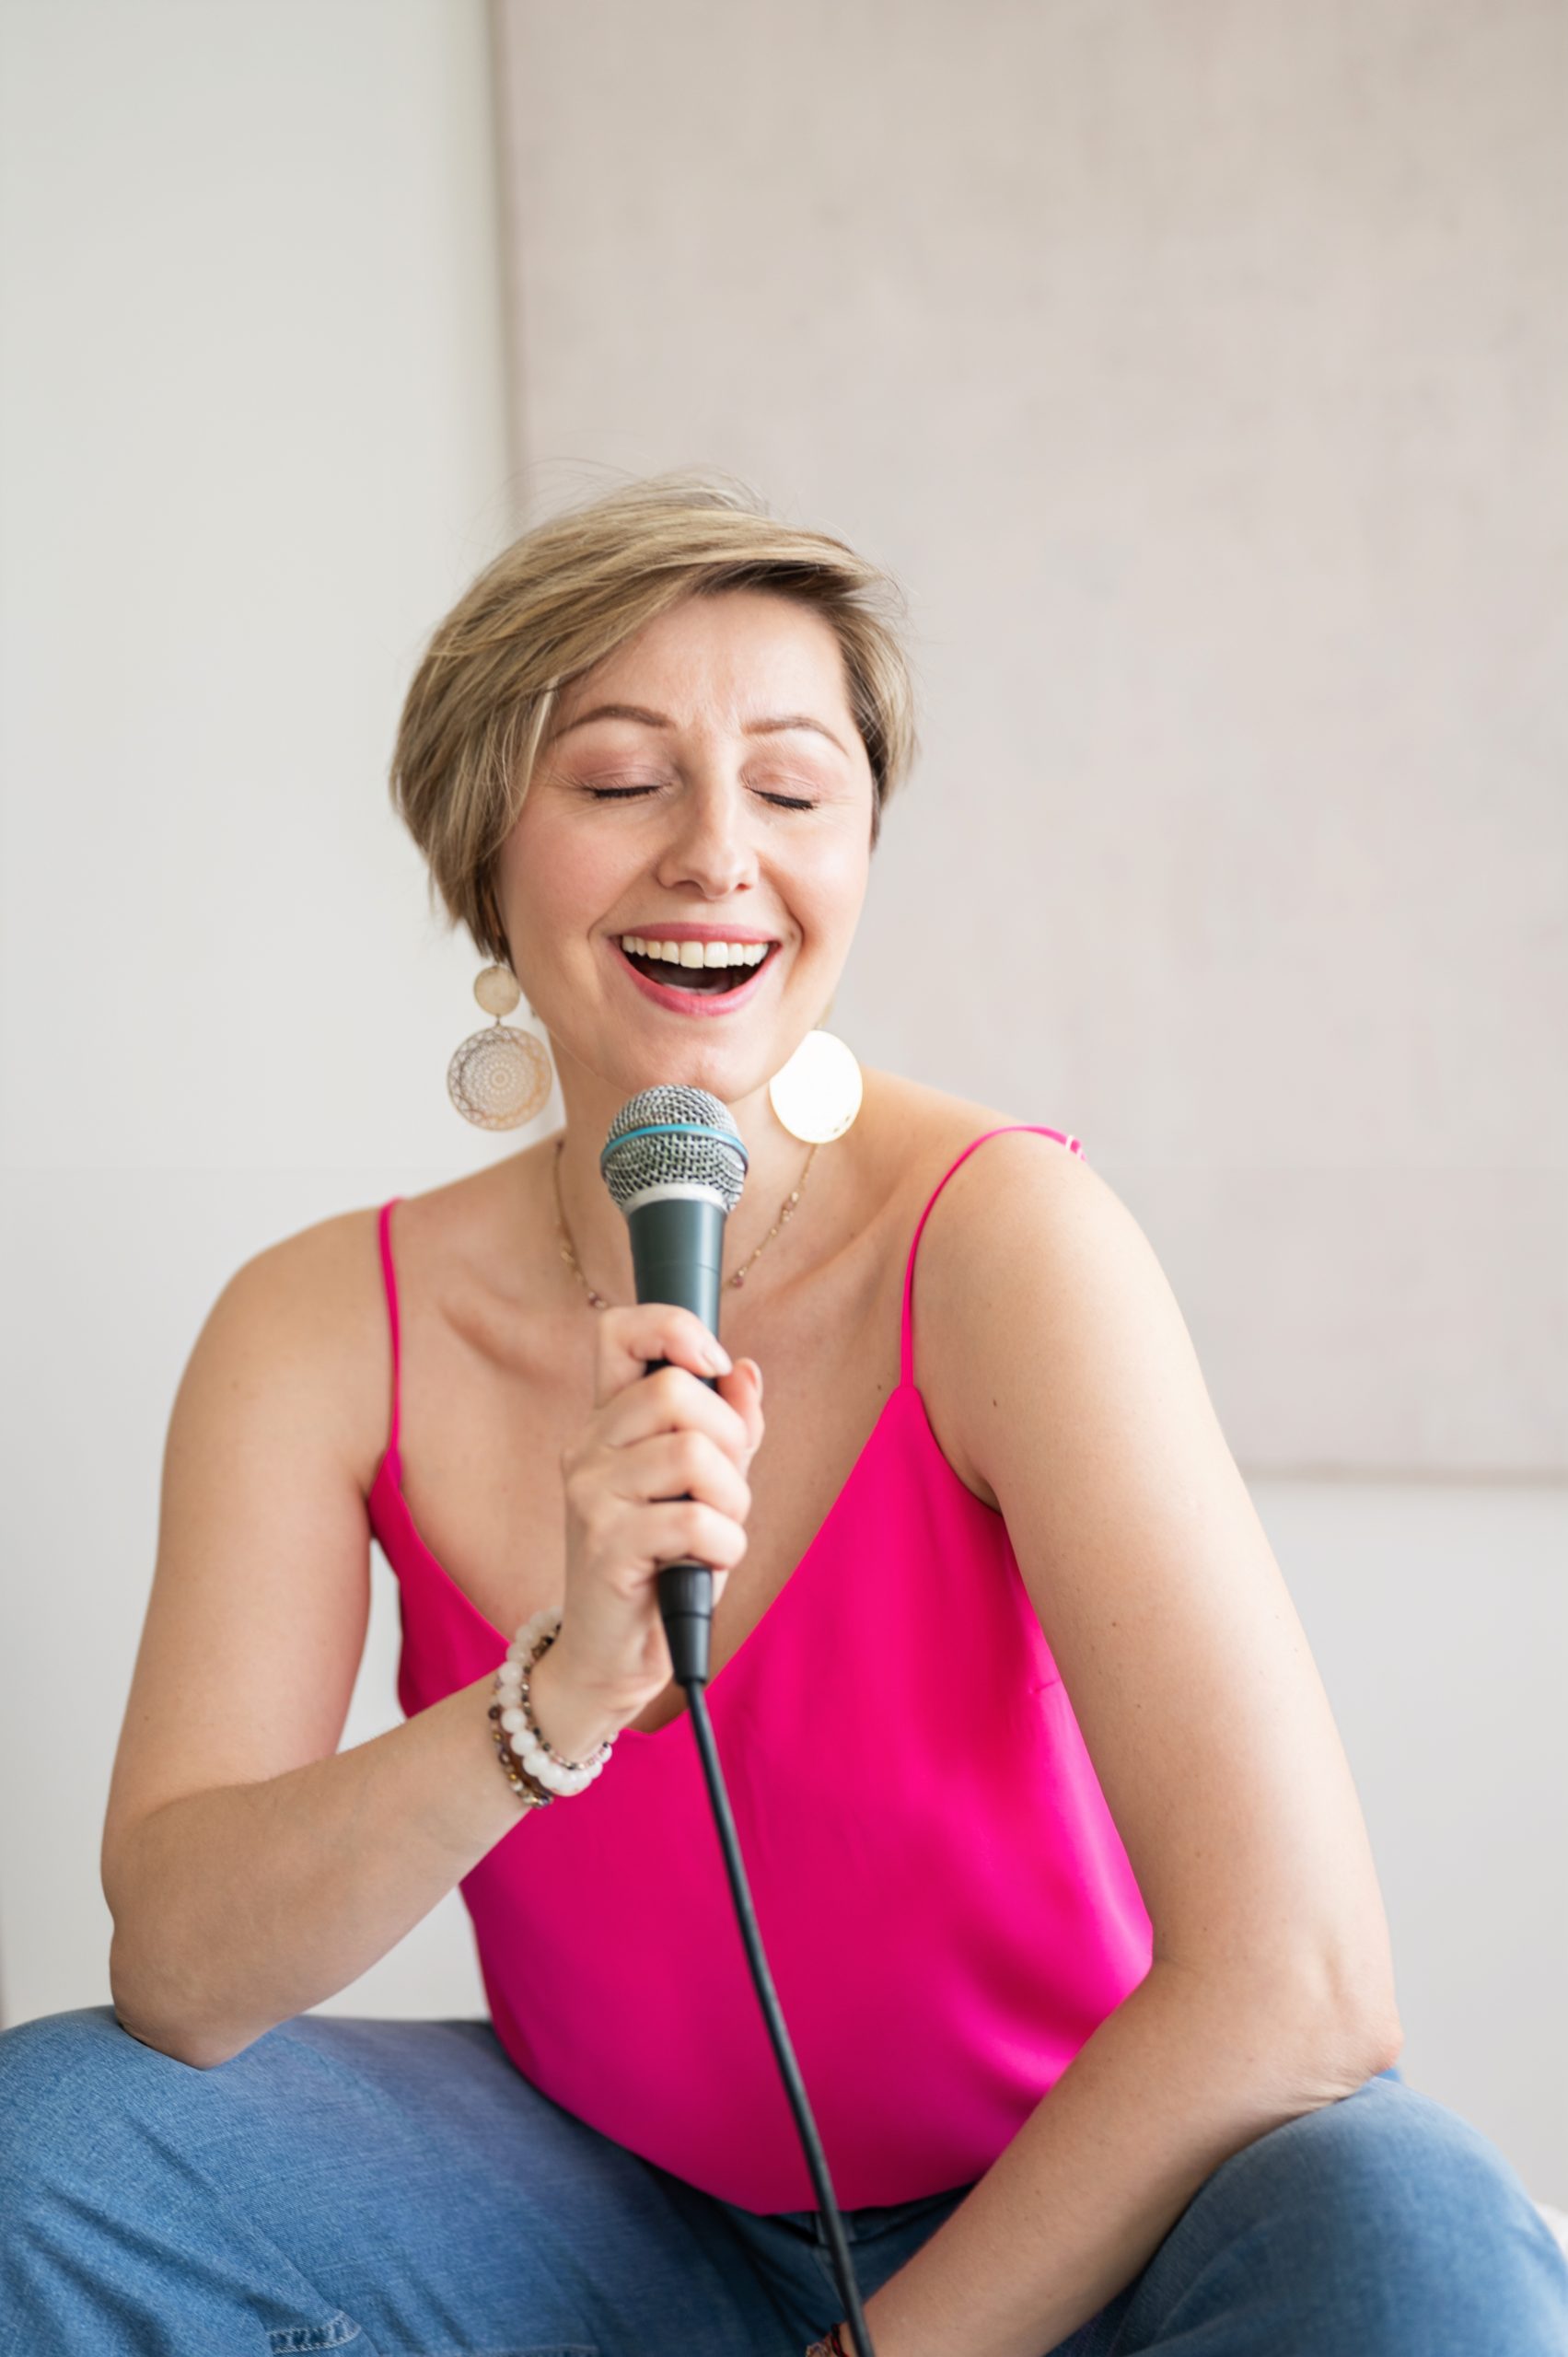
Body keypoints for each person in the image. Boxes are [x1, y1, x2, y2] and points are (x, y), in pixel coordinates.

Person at [2, 471, 1562, 2357]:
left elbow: (1299, 1981)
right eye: (621, 781)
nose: (718, 856)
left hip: (1087, 2216)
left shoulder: (1003, 1241)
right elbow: (180, 1970)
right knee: (52, 2150)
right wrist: (554, 1698)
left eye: (796, 792)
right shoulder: (320, 1326)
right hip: (610, 2212)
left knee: (1418, 2228)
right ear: (481, 842)